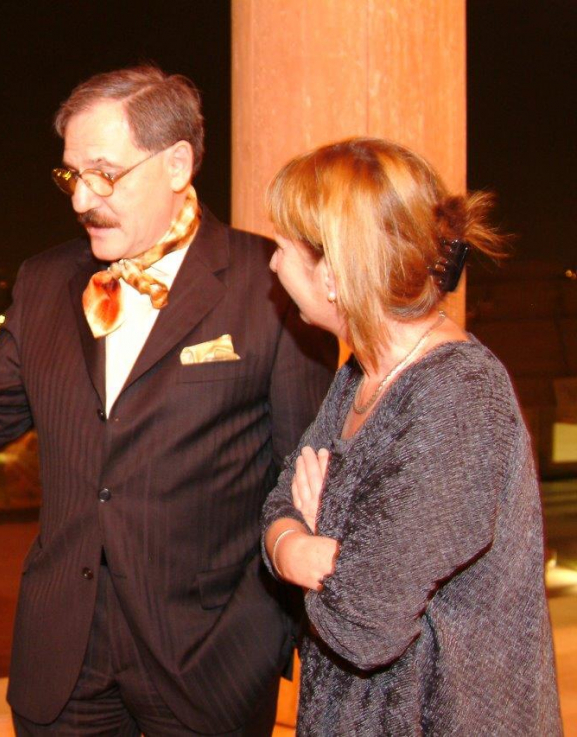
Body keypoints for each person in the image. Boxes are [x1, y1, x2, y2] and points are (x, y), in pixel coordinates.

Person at [0, 65, 337, 735]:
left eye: (104, 174)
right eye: (72, 175)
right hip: (64, 661)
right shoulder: (46, 283)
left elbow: (305, 476)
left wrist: (265, 642)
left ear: (177, 164)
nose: (81, 199)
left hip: (209, 666)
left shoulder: (271, 284)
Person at [261, 137, 561, 735]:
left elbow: (363, 621)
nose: (272, 264)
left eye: (285, 247)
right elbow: (278, 503)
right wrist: (298, 546)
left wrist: (316, 535)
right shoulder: (362, 374)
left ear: (335, 275)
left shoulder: (459, 397)